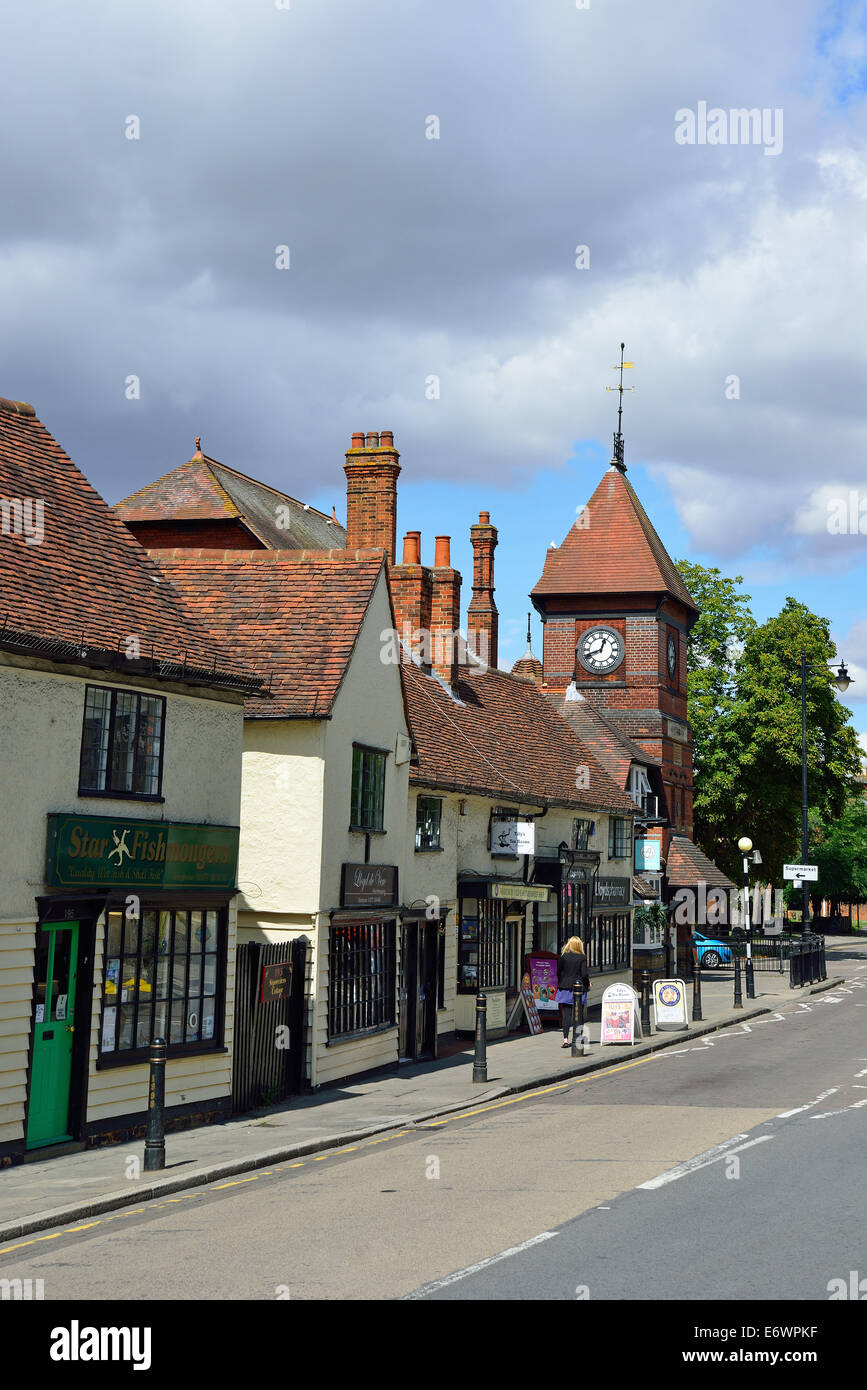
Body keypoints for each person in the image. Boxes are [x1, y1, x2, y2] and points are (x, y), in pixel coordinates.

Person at [556, 936, 590, 1048]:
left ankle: (565, 1040)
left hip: (565, 988)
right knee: (579, 1015)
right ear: (579, 945)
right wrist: (587, 983)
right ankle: (579, 1038)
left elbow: (558, 972)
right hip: (578, 989)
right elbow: (584, 974)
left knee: (566, 1015)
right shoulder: (582, 957)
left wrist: (562, 981)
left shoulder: (564, 957)